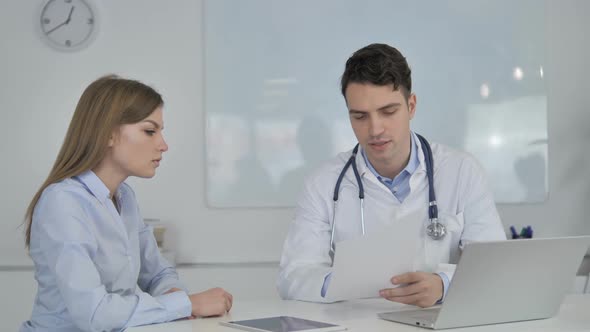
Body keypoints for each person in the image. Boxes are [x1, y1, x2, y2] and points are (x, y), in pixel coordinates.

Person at [277, 44, 506, 308]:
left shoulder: (462, 172)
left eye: (388, 112)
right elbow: (292, 277)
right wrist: (349, 282)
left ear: (411, 106)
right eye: (360, 116)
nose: (375, 129)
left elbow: (494, 267)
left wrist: (444, 284)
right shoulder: (323, 184)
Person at [21, 75, 233, 331]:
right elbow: (95, 314)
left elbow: (156, 274)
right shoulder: (62, 203)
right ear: (108, 134)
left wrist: (175, 295)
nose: (163, 145)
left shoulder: (125, 197)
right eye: (149, 131)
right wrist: (187, 304)